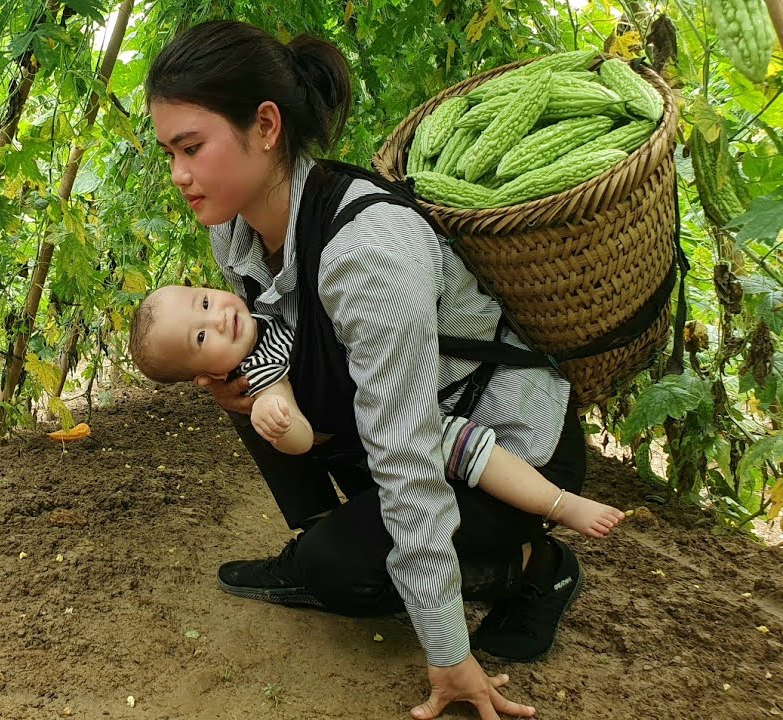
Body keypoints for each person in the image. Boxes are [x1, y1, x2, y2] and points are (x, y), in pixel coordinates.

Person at [146, 20, 593, 720]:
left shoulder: (368, 255)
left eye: (191, 148)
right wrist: (252, 395)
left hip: (496, 450)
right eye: (169, 152)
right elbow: (287, 344)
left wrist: (449, 652)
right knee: (232, 362)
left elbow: (411, 455)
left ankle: (539, 570)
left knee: (340, 571)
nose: (178, 174)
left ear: (265, 126)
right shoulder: (231, 227)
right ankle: (333, 535)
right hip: (400, 423)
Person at [129, 283, 624, 538]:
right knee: (476, 454)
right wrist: (278, 426)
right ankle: (559, 505)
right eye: (201, 337)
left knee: (477, 445)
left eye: (204, 302)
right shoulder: (260, 370)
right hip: (399, 419)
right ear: (209, 378)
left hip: (409, 376)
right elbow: (299, 433)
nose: (218, 318)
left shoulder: (266, 301)